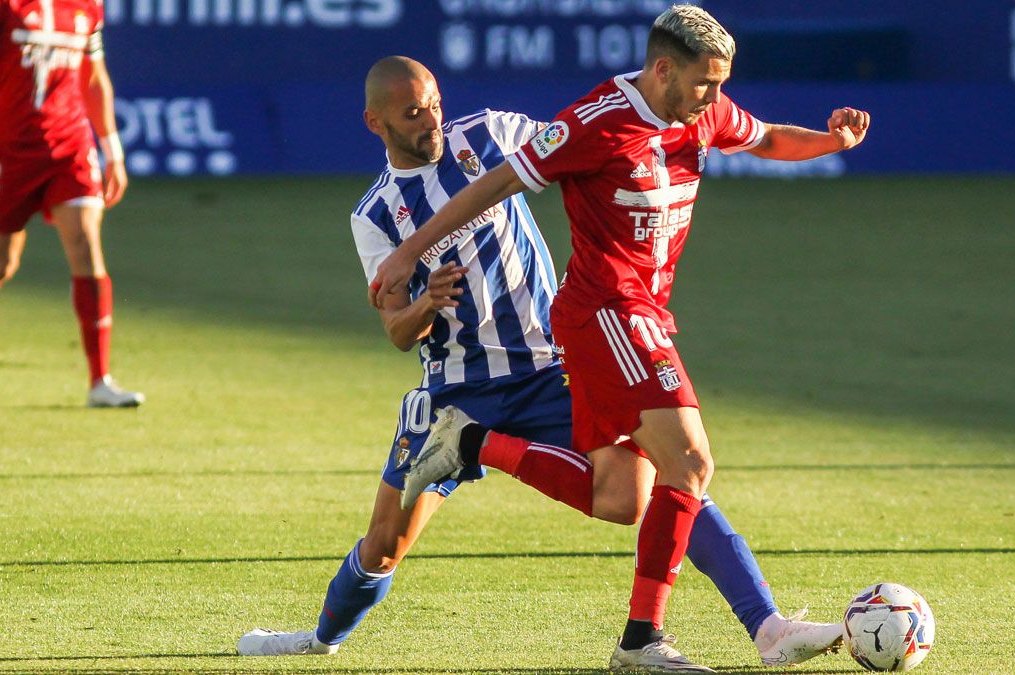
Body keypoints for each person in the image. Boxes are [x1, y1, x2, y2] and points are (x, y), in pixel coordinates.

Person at [237, 55, 842, 671]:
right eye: (413, 114)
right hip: (455, 391)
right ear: (376, 122)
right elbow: (396, 330)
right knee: (384, 546)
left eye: (435, 103)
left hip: (551, 369)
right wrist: (426, 301)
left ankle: (765, 621)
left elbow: (571, 146)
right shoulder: (375, 215)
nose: (431, 121)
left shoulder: (490, 134)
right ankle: (321, 638)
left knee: (665, 476)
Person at [373, 6, 871, 671]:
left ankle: (469, 441)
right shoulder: (596, 122)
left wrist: (831, 141)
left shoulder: (704, 111)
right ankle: (685, 636)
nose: (716, 99)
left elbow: (767, 140)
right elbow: (494, 183)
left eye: (721, 84)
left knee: (622, 496)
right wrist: (409, 252)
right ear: (662, 68)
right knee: (690, 462)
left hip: (644, 315)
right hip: (604, 313)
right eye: (704, 83)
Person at [0, 0, 143, 407]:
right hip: (9, 147)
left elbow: (94, 77)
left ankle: (100, 380)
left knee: (85, 245)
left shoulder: (88, 5)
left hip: (70, 145)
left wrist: (112, 150)